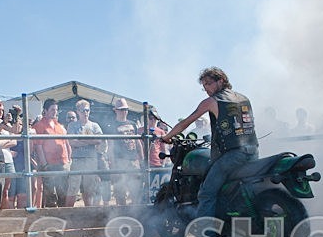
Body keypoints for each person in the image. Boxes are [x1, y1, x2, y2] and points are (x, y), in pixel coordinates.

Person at [161, 67, 258, 223]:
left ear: (221, 81)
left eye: (209, 83)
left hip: (233, 155)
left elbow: (186, 122)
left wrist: (167, 136)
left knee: (206, 193)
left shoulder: (212, 101)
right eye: (204, 85)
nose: (206, 88)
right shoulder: (243, 98)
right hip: (253, 152)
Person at [33, 98, 70, 208]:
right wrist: (44, 164)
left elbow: (65, 143)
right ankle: (51, 218)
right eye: (52, 109)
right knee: (50, 195)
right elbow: (38, 146)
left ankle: (63, 218)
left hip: (62, 163)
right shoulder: (39, 125)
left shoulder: (59, 126)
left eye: (56, 109)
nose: (55, 112)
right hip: (49, 164)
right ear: (45, 110)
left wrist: (68, 160)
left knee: (63, 193)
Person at [65, 99, 102, 207]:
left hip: (91, 160)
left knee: (89, 187)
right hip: (77, 160)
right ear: (77, 111)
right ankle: (67, 213)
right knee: (73, 187)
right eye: (82, 110)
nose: (85, 112)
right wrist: (90, 141)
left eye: (87, 110)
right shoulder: (72, 125)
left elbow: (99, 140)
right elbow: (72, 142)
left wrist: (80, 141)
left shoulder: (94, 125)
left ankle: (88, 212)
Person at [106, 97, 143, 205]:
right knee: (120, 191)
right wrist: (112, 164)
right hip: (119, 161)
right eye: (121, 109)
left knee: (135, 189)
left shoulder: (133, 124)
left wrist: (141, 158)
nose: (124, 112)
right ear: (116, 110)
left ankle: (135, 213)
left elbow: (138, 142)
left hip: (133, 161)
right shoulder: (112, 126)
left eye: (125, 109)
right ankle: (122, 214)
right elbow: (110, 145)